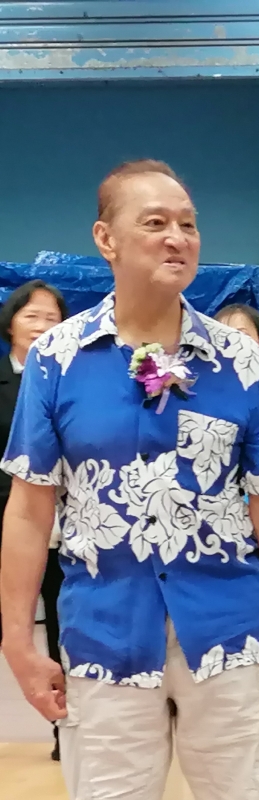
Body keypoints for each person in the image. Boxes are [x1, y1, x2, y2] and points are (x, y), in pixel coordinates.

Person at [0, 159, 259, 800]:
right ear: (106, 239)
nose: (177, 239)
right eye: (156, 223)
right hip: (104, 634)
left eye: (188, 225)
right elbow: (29, 510)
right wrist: (19, 643)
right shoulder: (56, 359)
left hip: (230, 634)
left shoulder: (241, 360)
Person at [0, 279, 68, 760]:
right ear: (11, 323)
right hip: (9, 522)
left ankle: (68, 731)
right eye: (32, 316)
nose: (42, 326)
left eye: (52, 318)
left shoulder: (72, 378)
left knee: (67, 630)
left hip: (68, 528)